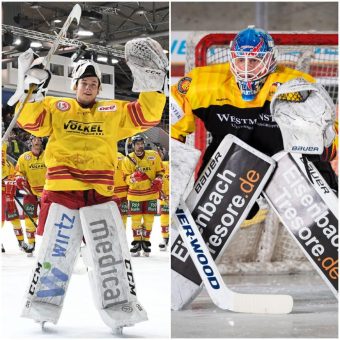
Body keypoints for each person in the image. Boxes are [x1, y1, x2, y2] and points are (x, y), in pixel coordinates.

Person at [10, 37, 168, 331]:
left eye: (94, 83)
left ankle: (121, 310)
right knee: (55, 255)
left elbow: (147, 114)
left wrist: (153, 86)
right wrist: (32, 90)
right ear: (74, 85)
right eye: (84, 82)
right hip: (62, 192)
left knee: (110, 256)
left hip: (100, 194)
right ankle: (42, 306)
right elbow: (32, 122)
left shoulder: (113, 113)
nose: (89, 86)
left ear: (99, 87)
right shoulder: (58, 108)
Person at [171, 26, 338, 215]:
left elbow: (329, 133)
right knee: (208, 214)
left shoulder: (295, 85)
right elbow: (174, 131)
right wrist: (172, 184)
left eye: (255, 61)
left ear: (270, 60)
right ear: (232, 59)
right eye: (241, 60)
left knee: (320, 213)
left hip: (286, 161)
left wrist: (326, 145)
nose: (246, 68)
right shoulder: (202, 83)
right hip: (232, 161)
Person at [122, 135, 164, 256]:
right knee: (135, 220)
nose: (140, 145)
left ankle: (146, 242)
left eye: (142, 143)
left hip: (151, 194)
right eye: (138, 144)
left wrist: (158, 179)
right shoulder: (128, 159)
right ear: (133, 145)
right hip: (135, 195)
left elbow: (160, 171)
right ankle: (136, 242)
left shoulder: (153, 155)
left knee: (149, 220)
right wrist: (134, 178)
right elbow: (125, 179)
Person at [14, 135, 46, 255]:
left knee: (50, 220)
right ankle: (31, 244)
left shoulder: (48, 154)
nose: (37, 141)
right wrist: (19, 178)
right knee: (29, 219)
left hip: (48, 193)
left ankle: (50, 244)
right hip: (30, 192)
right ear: (31, 142)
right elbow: (18, 171)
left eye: (39, 139)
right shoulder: (24, 157)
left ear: (42, 142)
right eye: (34, 139)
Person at [1, 142, 29, 252]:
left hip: (9, 195)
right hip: (2, 194)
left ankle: (21, 242)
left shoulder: (9, 164)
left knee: (15, 219)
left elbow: (10, 176)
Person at [157, 146, 169, 251]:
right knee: (164, 217)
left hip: (175, 197)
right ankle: (165, 239)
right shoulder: (160, 166)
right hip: (164, 198)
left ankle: (170, 238)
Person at [113, 151, 129, 227]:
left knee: (112, 216)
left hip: (111, 193)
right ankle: (123, 234)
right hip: (124, 193)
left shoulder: (106, 156)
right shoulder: (123, 157)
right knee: (123, 215)